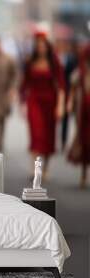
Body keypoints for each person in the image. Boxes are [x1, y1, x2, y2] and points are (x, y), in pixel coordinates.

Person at [20, 32, 65, 180]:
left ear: (47, 46)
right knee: (36, 134)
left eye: (43, 45)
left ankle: (45, 167)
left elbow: (62, 85)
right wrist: (22, 103)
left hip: (50, 102)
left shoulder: (54, 62)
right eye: (38, 45)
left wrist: (60, 105)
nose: (40, 48)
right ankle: (35, 169)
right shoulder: (29, 62)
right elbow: (24, 85)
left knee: (48, 136)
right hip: (34, 101)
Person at [67, 45, 90, 188]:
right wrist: (70, 103)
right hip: (83, 113)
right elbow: (73, 88)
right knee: (85, 141)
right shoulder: (79, 74)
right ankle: (84, 173)